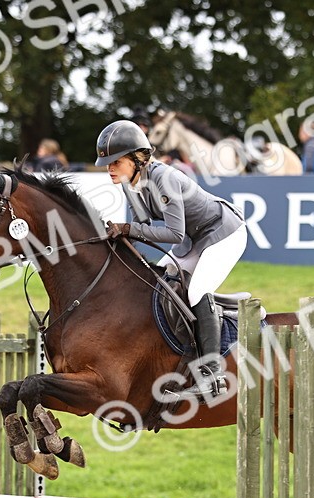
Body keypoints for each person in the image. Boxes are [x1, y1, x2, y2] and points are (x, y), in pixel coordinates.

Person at [95, 119, 247, 403]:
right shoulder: (130, 184)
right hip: (195, 239)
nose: (110, 169)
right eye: (107, 163)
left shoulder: (163, 177)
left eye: (115, 162)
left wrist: (127, 229)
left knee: (197, 290)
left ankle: (213, 377)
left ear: (135, 159)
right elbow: (142, 228)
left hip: (224, 233)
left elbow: (172, 233)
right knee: (166, 282)